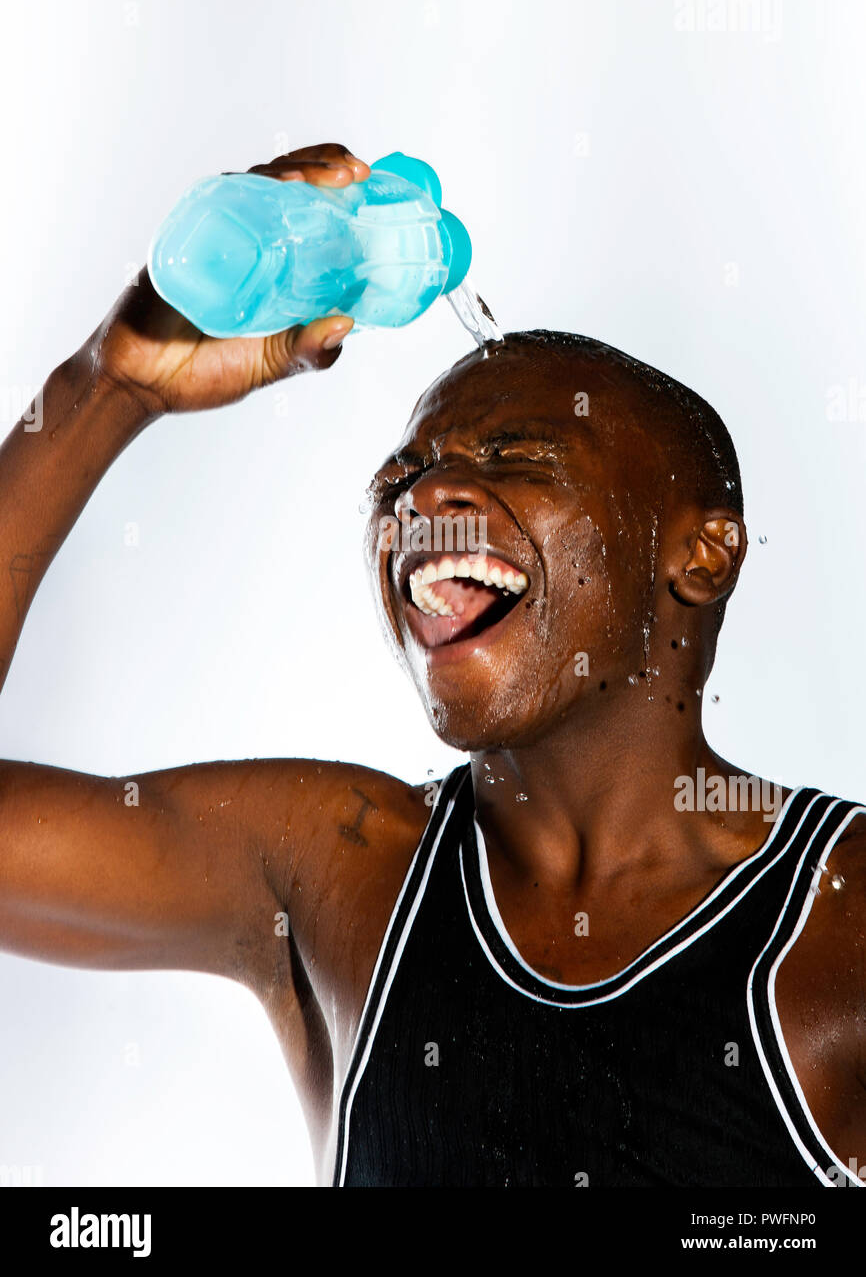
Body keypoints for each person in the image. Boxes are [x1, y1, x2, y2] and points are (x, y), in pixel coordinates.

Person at [0, 143, 863, 1188]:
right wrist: (106, 385)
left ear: (698, 553)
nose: (425, 496)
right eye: (400, 475)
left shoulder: (839, 914)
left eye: (516, 458)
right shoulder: (340, 869)